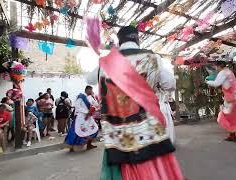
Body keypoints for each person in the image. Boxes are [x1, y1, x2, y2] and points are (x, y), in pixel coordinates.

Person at [96, 26, 184, 180]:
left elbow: (99, 92)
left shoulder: (106, 63)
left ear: (119, 40)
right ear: (137, 38)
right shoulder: (152, 58)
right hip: (147, 127)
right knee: (153, 167)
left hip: (119, 132)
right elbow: (170, 84)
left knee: (125, 167)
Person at [65, 86, 99, 152]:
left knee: (94, 129)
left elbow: (97, 105)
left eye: (92, 90)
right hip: (80, 117)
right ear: (87, 90)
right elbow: (77, 106)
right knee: (76, 131)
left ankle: (89, 144)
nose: (91, 91)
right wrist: (87, 112)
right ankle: (72, 147)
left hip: (89, 117)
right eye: (90, 90)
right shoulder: (80, 96)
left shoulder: (90, 97)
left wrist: (93, 108)